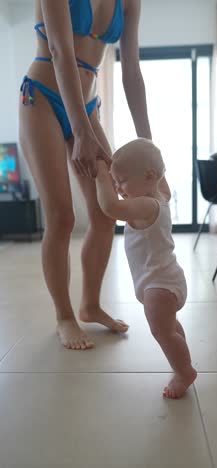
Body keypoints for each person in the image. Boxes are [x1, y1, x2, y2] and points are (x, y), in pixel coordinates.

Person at [19, 0, 155, 350]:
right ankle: (64, 315)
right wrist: (80, 132)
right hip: (43, 98)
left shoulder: (131, 2)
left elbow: (132, 73)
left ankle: (90, 305)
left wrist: (147, 147)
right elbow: (60, 51)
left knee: (105, 212)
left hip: (87, 105)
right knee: (62, 216)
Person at [95, 138, 197, 399]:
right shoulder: (161, 195)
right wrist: (121, 168)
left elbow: (110, 207)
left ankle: (184, 371)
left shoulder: (146, 205)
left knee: (161, 331)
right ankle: (181, 359)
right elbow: (160, 174)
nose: (118, 188)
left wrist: (99, 173)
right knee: (169, 328)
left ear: (149, 175)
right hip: (165, 279)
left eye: (122, 181)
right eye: (115, 182)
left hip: (158, 285)